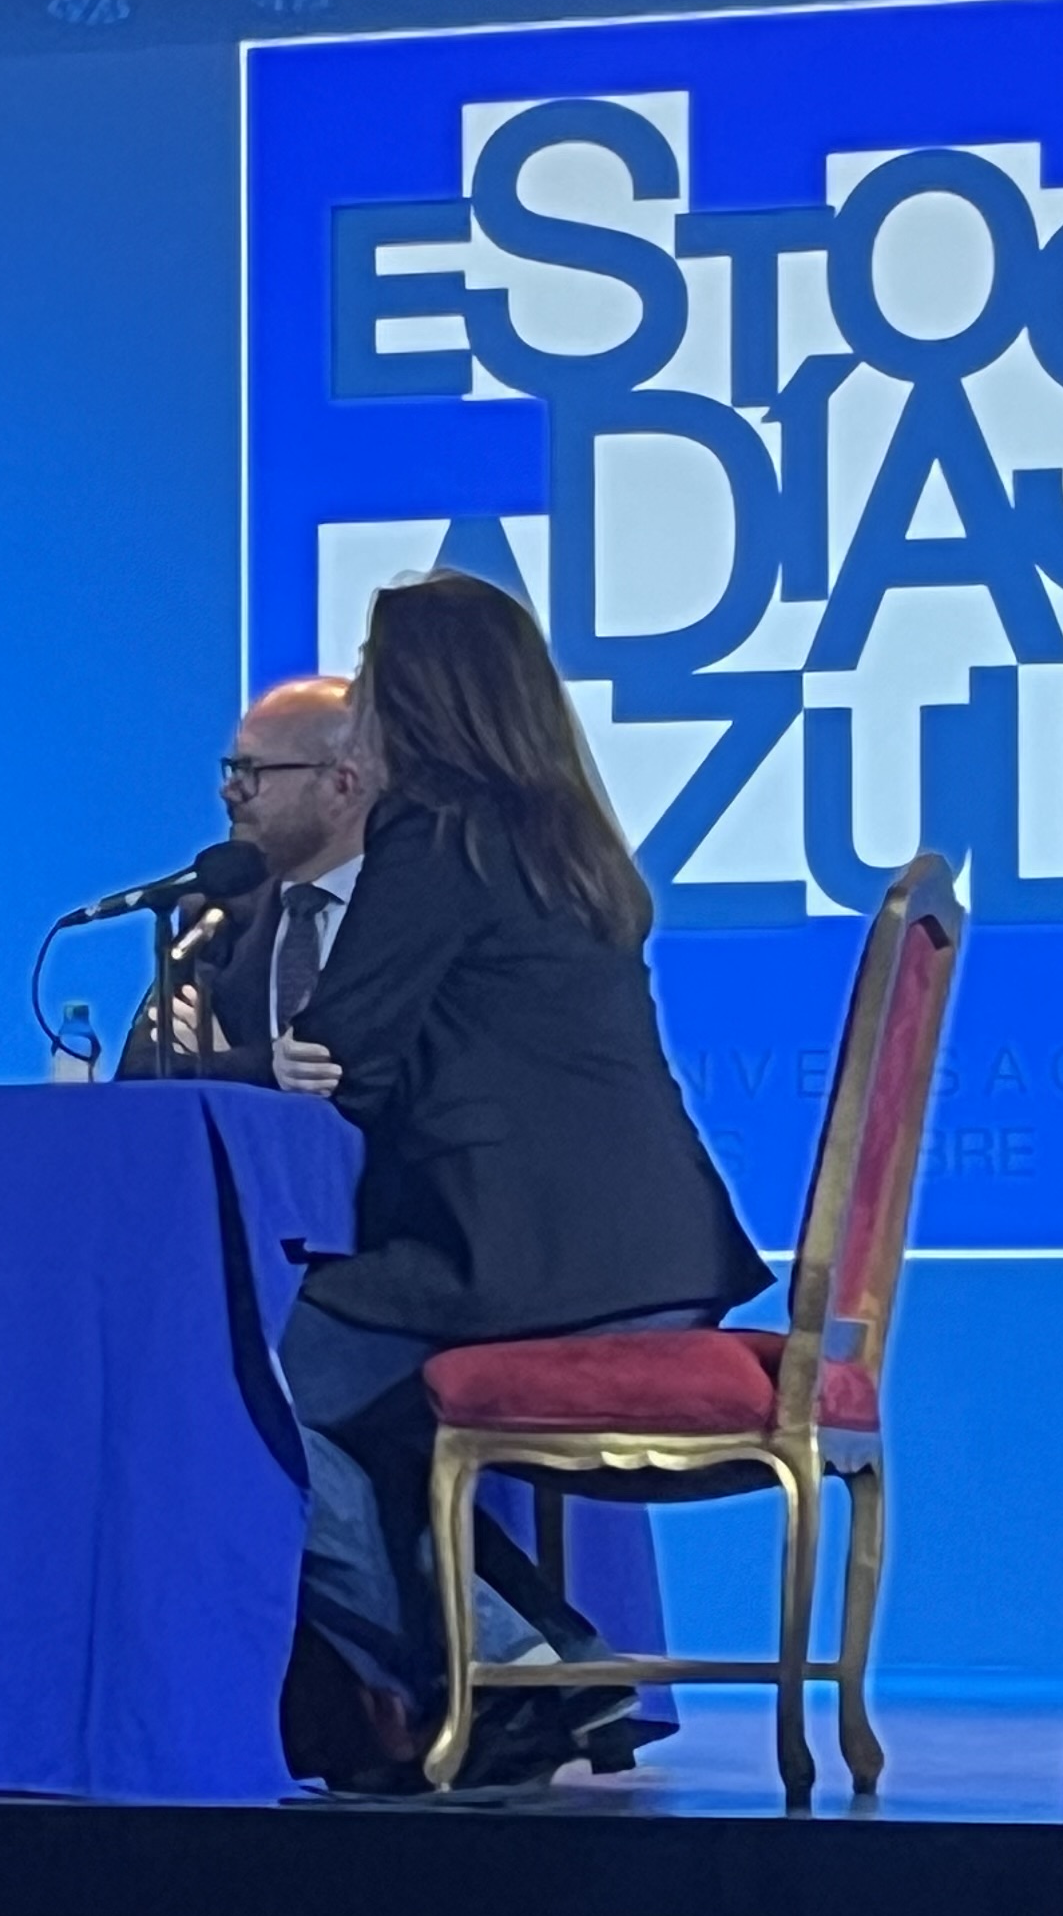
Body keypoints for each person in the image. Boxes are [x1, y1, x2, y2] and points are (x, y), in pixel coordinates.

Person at [272, 572, 769, 1788]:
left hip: (527, 1262)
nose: (362, 698)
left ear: (420, 693)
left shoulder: (435, 836)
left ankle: (496, 1673)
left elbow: (346, 1056)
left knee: (227, 1386)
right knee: (367, 1420)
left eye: (373, 671)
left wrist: (254, 1059)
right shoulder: (567, 839)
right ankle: (554, 1663)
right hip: (657, 1255)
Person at [122, 673, 377, 1080]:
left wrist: (219, 1063)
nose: (230, 791)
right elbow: (140, 1071)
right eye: (232, 769)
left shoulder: (410, 910)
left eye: (251, 770)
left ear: (342, 784)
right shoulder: (218, 913)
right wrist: (262, 1066)